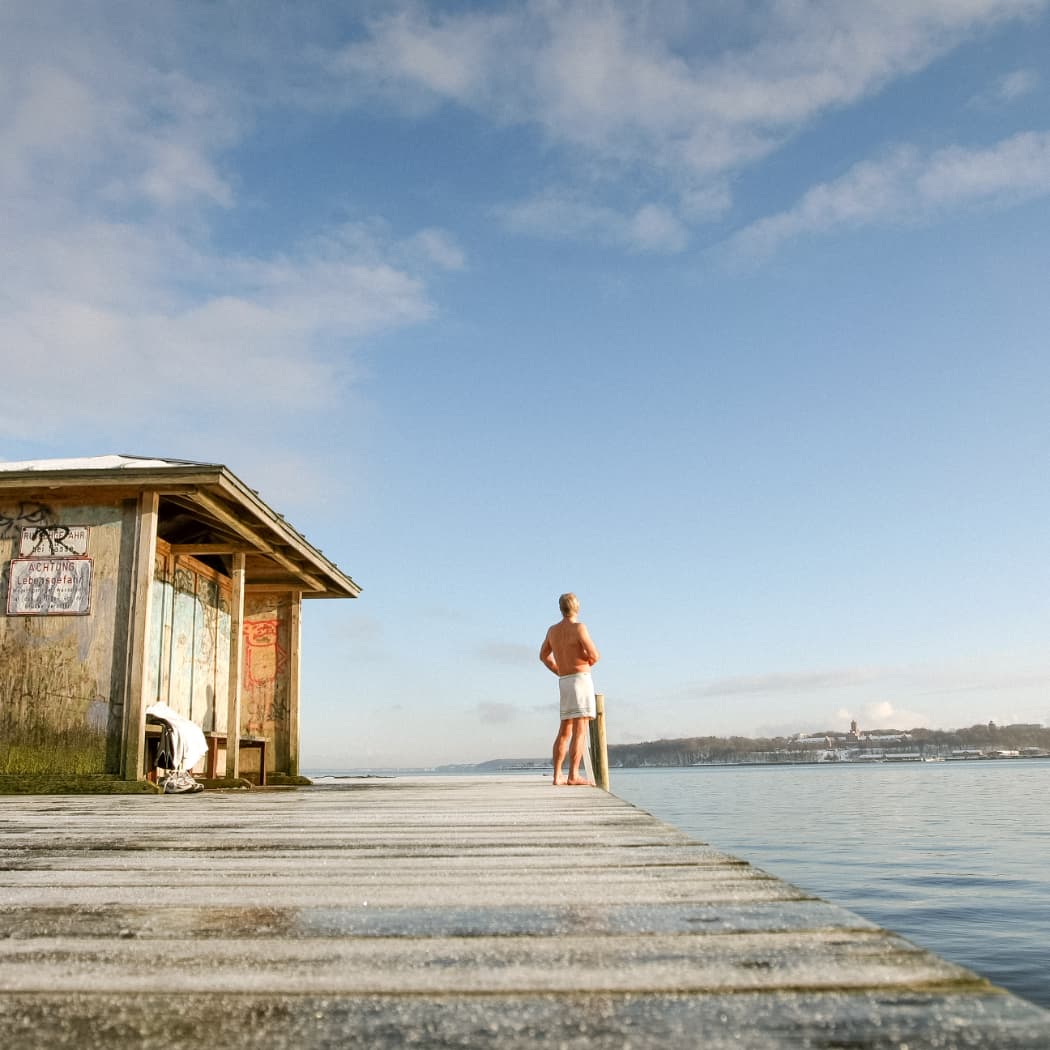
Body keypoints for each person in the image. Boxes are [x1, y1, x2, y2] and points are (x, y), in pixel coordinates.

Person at [539, 592, 600, 786]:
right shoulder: (579, 627)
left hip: (564, 680)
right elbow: (594, 655)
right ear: (577, 607)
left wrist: (558, 669)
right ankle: (573, 774)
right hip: (580, 679)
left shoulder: (552, 631)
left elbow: (543, 656)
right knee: (580, 729)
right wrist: (585, 661)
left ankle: (557, 775)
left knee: (565, 729)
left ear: (560, 608)